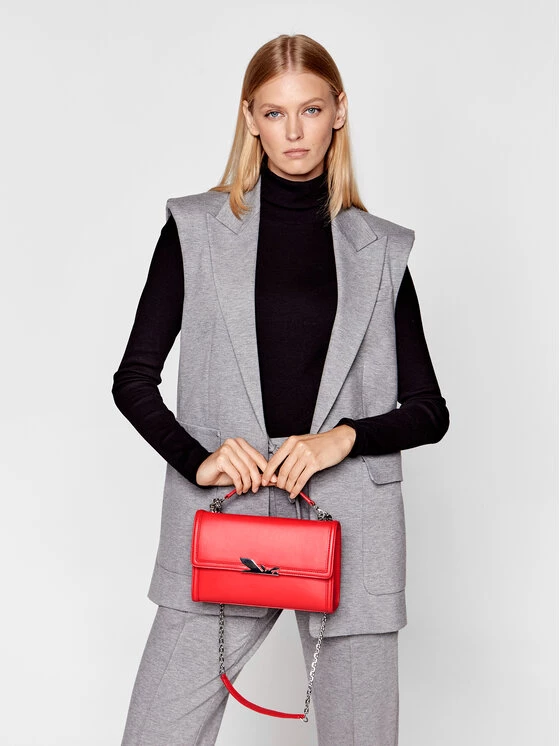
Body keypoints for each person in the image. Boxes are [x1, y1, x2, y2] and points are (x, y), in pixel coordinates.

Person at [113, 33, 449, 746]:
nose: (293, 131)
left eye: (311, 109)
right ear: (250, 118)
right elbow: (133, 379)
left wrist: (342, 439)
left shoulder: (382, 250)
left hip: (352, 519)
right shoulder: (195, 230)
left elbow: (429, 410)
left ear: (339, 112)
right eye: (274, 113)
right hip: (227, 513)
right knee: (155, 733)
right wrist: (198, 458)